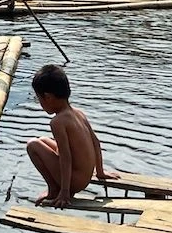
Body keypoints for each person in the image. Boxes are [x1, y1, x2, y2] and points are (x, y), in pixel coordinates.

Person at [26, 65, 116, 208]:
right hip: (85, 176)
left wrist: (65, 191)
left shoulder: (57, 122)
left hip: (74, 182)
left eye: (39, 99)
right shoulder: (78, 113)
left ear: (48, 97)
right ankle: (61, 187)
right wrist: (100, 172)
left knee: (32, 145)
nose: (40, 104)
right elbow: (96, 142)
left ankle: (53, 189)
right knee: (43, 140)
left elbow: (66, 158)